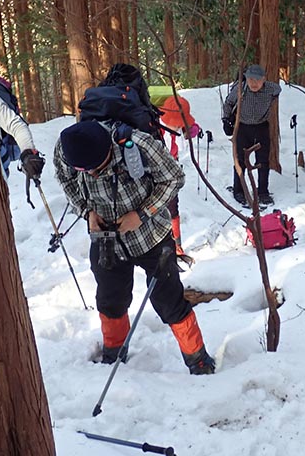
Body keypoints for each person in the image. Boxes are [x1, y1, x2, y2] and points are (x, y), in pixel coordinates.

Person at [53, 120, 215, 375]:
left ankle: (199, 360)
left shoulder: (139, 145)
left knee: (169, 301)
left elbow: (174, 179)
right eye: (86, 171)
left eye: (97, 168)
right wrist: (87, 212)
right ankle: (114, 353)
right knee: (110, 299)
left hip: (151, 237)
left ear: (108, 151)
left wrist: (141, 214)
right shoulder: (66, 148)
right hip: (106, 239)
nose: (92, 175)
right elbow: (66, 180)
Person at [222, 64, 281, 207]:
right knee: (240, 160)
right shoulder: (240, 89)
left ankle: (263, 192)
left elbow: (279, 90)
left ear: (264, 79)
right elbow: (228, 103)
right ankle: (239, 190)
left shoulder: (271, 89)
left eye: (258, 79)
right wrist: (226, 120)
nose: (254, 83)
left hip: (261, 127)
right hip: (242, 127)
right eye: (250, 79)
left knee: (263, 161)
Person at [159, 95, 201, 264]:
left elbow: (193, 129)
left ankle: (176, 244)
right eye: (175, 121)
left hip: (172, 171)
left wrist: (191, 129)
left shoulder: (179, 129)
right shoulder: (156, 128)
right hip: (155, 172)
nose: (177, 125)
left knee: (172, 207)